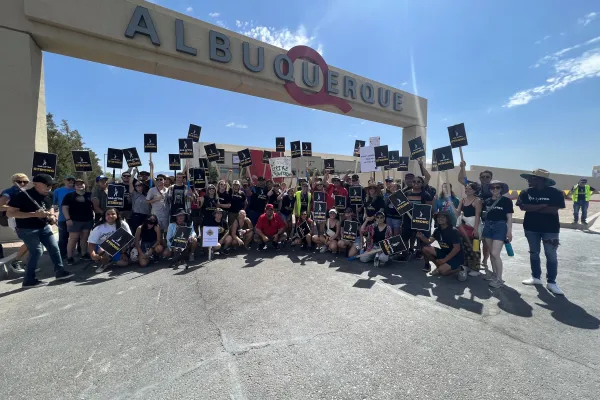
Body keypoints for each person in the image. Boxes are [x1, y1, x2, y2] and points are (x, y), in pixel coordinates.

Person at [7, 174, 74, 287]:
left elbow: (50, 207)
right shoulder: (22, 196)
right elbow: (10, 213)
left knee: (54, 248)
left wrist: (52, 216)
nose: (49, 188)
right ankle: (29, 280)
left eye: (51, 185)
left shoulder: (50, 195)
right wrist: (34, 214)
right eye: (47, 185)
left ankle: (60, 271)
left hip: (43, 227)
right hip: (26, 229)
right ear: (36, 184)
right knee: (37, 251)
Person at [517, 169, 566, 295]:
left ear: (540, 180)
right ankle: (536, 277)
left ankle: (551, 282)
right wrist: (542, 205)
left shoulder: (556, 193)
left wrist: (532, 208)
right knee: (534, 253)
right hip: (530, 228)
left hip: (550, 229)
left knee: (551, 255)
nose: (528, 180)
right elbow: (523, 207)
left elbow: (553, 211)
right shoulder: (526, 192)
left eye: (531, 178)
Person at [481, 180, 513, 288]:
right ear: (490, 189)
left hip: (500, 226)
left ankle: (499, 279)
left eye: (497, 187)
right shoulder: (487, 201)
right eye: (492, 188)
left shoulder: (506, 201)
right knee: (491, 252)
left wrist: (509, 231)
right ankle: (494, 275)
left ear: (501, 189)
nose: (495, 189)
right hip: (488, 226)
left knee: (495, 254)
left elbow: (509, 217)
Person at [417, 211, 465, 276]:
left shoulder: (453, 231)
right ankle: (439, 266)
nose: (440, 219)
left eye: (443, 217)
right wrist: (421, 236)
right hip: (444, 252)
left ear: (447, 219)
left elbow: (457, 249)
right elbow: (429, 241)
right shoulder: (437, 230)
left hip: (456, 256)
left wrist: (444, 260)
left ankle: (460, 268)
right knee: (425, 249)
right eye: (438, 217)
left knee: (443, 272)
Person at [0, 173, 30, 274]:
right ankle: (16, 262)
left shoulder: (25, 191)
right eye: (19, 181)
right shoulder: (9, 191)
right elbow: (0, 205)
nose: (22, 183)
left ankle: (23, 263)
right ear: (14, 182)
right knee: (30, 241)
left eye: (24, 181)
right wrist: (15, 207)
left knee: (34, 242)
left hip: (26, 218)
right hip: (14, 219)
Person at [400, 176, 433, 266]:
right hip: (407, 220)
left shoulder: (426, 195)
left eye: (418, 182)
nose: (416, 183)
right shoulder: (406, 193)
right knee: (405, 237)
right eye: (414, 181)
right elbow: (401, 206)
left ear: (422, 183)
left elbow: (429, 209)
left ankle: (420, 254)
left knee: (420, 239)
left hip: (420, 221)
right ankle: (405, 254)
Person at [88, 208, 132, 273]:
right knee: (102, 250)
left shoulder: (123, 224)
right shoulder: (99, 227)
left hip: (117, 247)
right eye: (108, 214)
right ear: (105, 216)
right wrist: (93, 255)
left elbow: (127, 239)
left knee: (124, 263)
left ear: (117, 215)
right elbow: (91, 243)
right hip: (102, 247)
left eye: (113, 214)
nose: (110, 216)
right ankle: (104, 263)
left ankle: (111, 259)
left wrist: (123, 253)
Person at [61, 178, 94, 265]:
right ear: (75, 186)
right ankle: (70, 257)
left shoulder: (89, 195)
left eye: (81, 184)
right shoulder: (69, 196)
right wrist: (68, 219)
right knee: (73, 239)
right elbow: (64, 208)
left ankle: (83, 254)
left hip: (88, 220)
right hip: (74, 221)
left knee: (84, 238)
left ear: (84, 185)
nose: (79, 185)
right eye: (77, 184)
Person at [455, 182, 483, 276]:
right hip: (464, 227)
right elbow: (457, 213)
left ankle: (475, 268)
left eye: (470, 189)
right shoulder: (462, 200)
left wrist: (475, 229)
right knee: (465, 247)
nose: (467, 190)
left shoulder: (477, 200)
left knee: (475, 248)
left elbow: (478, 215)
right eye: (466, 188)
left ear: (475, 190)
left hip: (474, 227)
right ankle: (466, 265)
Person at [53, 175, 76, 258]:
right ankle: (62, 255)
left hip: (76, 218)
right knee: (63, 238)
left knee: (77, 237)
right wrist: (53, 215)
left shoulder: (76, 190)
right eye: (69, 179)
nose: (71, 181)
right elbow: (53, 204)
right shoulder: (57, 191)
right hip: (63, 218)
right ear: (64, 181)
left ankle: (78, 253)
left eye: (73, 180)